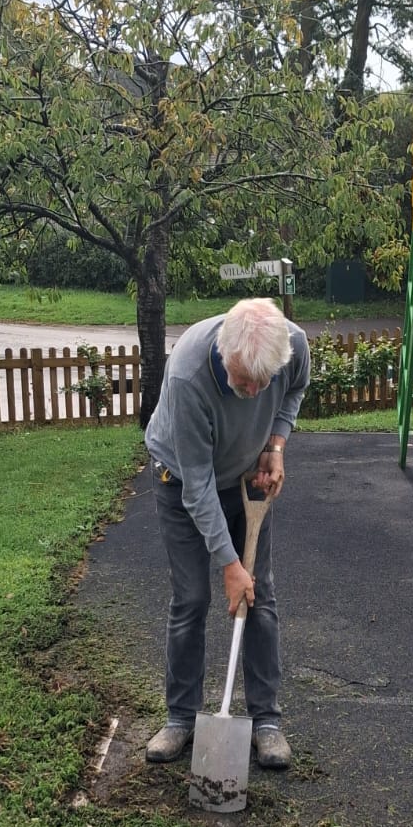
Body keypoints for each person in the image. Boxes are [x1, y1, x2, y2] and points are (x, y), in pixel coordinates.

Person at [143, 296, 310, 774]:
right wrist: (230, 565)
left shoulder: (291, 346)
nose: (255, 392)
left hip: (246, 481)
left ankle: (266, 722)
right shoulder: (188, 375)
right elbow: (197, 488)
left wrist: (275, 445)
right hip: (181, 480)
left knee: (262, 596)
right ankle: (180, 717)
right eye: (243, 382)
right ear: (224, 354)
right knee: (192, 598)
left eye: (263, 382)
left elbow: (294, 390)